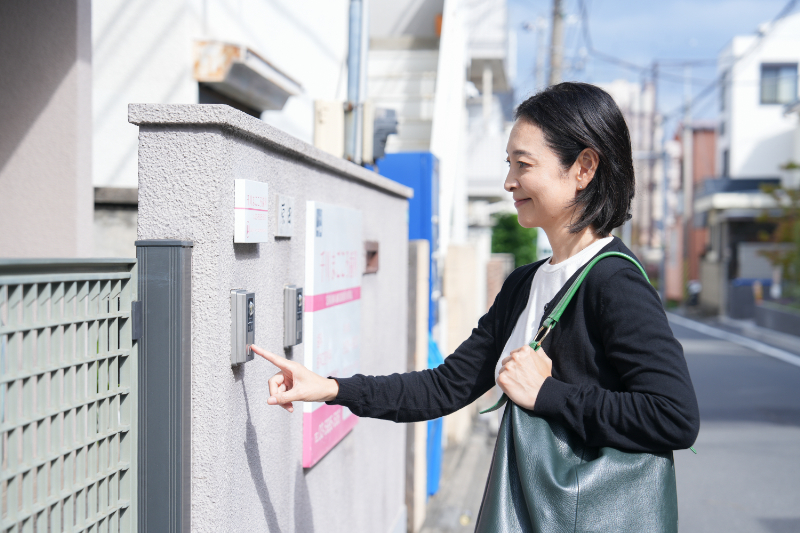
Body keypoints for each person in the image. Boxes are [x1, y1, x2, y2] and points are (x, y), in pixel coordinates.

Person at [252, 82, 699, 458]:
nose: (509, 182)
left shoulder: (613, 280)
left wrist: (548, 393)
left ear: (583, 167)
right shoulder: (525, 284)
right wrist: (331, 387)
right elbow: (445, 387)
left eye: (523, 165)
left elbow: (674, 416)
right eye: (509, 165)